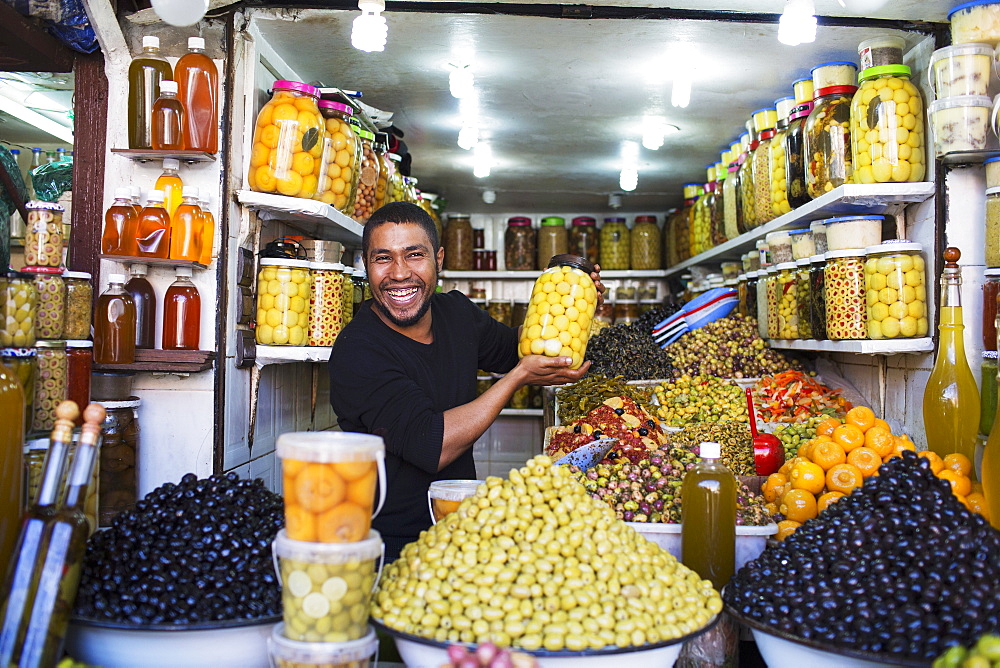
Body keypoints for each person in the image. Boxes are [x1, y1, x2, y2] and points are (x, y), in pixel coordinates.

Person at [328, 201, 604, 560]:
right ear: (366, 265)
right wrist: (516, 379)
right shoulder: (358, 350)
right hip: (390, 545)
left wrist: (574, 303)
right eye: (383, 258)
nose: (399, 273)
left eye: (414, 255)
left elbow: (516, 349)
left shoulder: (456, 312)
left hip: (461, 531)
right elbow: (433, 444)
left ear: (438, 260)